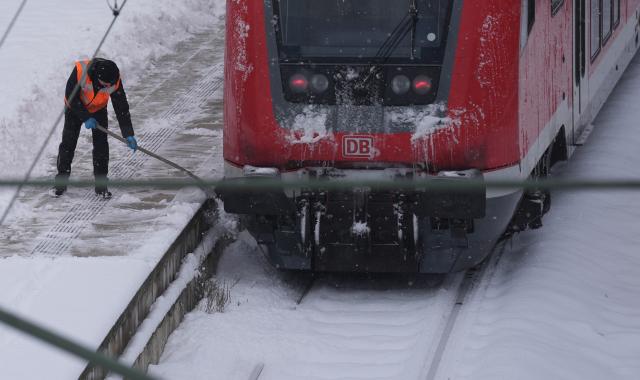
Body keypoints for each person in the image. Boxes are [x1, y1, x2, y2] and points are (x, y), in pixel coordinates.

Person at [53, 58, 138, 199]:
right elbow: (71, 96)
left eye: (109, 85)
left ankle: (101, 185)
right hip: (75, 108)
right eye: (104, 85)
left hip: (98, 110)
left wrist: (128, 133)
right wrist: (85, 116)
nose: (107, 87)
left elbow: (121, 105)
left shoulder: (113, 78)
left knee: (101, 146)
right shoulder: (81, 71)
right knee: (68, 144)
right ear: (97, 77)